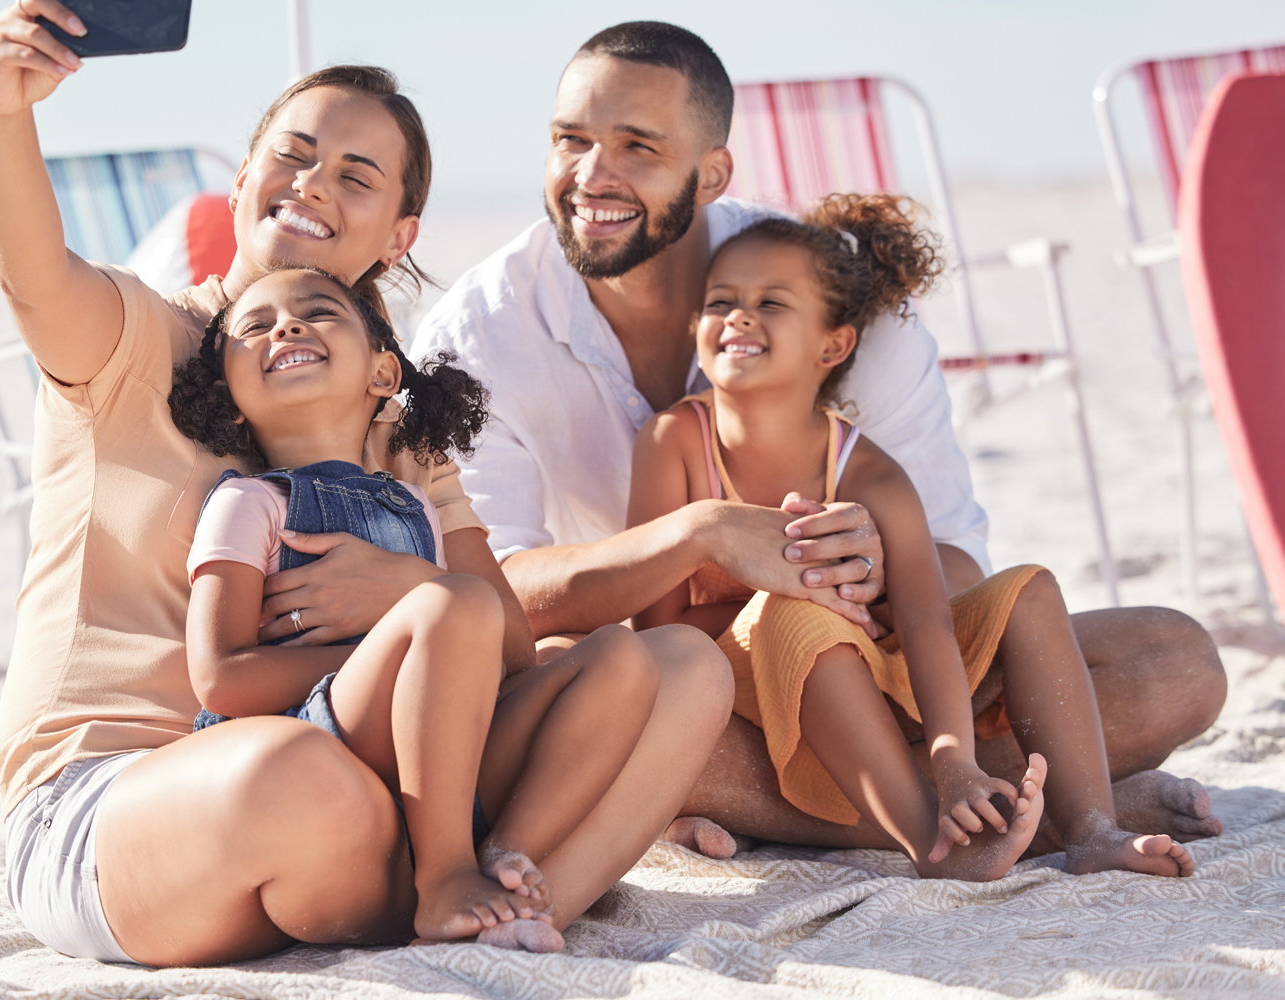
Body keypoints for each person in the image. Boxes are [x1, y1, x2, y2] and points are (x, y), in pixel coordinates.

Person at [0, 1, 730, 967]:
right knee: (303, 781)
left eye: (355, 176)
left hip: (376, 789)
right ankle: (465, 876)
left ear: (398, 230)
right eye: (290, 157)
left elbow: (500, 638)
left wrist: (407, 593)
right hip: (129, 799)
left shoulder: (397, 420)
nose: (311, 185)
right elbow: (33, 278)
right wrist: (6, 112)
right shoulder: (138, 339)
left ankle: (520, 909)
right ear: (244, 177)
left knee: (680, 666)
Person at [412, 20, 1226, 858]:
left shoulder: (837, 301)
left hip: (879, 667)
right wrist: (703, 537)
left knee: (1176, 664)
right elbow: (495, 598)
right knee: (561, 689)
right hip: (681, 682)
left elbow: (952, 571)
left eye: (637, 148)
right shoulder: (476, 339)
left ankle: (921, 802)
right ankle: (1009, 810)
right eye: (570, 140)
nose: (591, 176)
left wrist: (872, 567)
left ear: (713, 172)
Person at [631, 193, 1197, 880]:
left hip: (875, 686)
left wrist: (954, 756)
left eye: (772, 303)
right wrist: (795, 592)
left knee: (1029, 590)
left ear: (833, 344)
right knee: (799, 613)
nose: (740, 316)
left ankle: (1091, 827)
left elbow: (927, 620)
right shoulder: (673, 445)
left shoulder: (868, 471)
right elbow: (659, 628)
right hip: (745, 696)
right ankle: (929, 838)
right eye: (721, 301)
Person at [175, 265, 673, 949]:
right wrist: (405, 656)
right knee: (454, 603)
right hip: (319, 746)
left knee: (619, 654)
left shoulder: (416, 505)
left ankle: (508, 857)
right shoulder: (248, 504)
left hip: (447, 764)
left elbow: (508, 656)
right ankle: (443, 879)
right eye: (254, 327)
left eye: (318, 312)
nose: (285, 326)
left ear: (383, 374)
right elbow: (220, 679)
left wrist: (433, 637)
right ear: (231, 398)